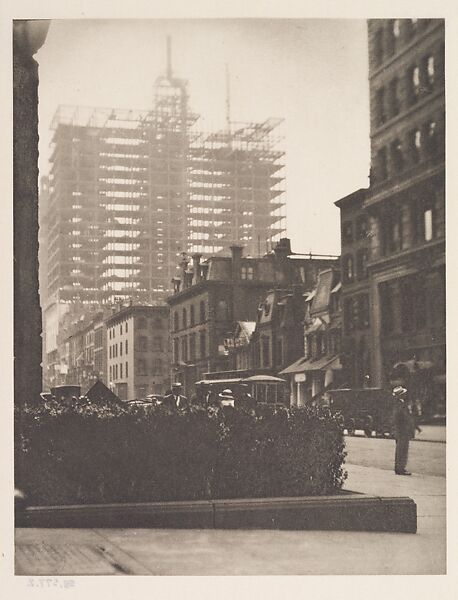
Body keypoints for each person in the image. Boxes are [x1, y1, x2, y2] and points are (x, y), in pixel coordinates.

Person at [392, 386, 415, 476]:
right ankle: (400, 469)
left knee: (401, 450)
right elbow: (399, 418)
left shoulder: (401, 404)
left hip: (402, 431)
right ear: (400, 395)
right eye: (403, 394)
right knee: (402, 450)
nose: (405, 395)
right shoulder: (399, 405)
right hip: (402, 431)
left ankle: (400, 468)